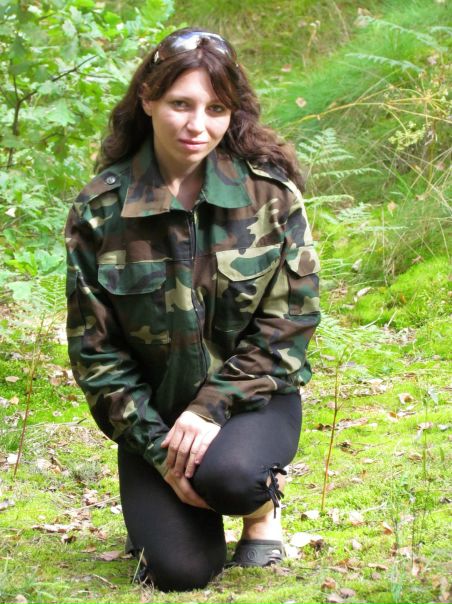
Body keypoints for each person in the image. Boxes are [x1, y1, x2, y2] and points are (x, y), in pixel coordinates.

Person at [65, 27, 320, 592]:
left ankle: (260, 511)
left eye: (216, 109)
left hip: (251, 402)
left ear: (233, 113)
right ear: (148, 99)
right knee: (180, 572)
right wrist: (158, 451)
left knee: (233, 477)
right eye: (180, 104)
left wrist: (210, 408)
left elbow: (289, 324)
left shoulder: (270, 196)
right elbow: (95, 352)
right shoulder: (101, 209)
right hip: (155, 419)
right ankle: (163, 511)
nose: (197, 125)